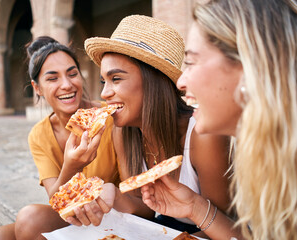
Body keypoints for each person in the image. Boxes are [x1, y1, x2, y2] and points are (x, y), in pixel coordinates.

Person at [141, 0, 297, 239]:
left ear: (250, 67)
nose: (180, 83)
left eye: (190, 62)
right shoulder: (264, 155)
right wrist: (193, 206)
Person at [65, 15, 233, 236]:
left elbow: (224, 227)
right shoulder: (122, 131)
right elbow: (145, 207)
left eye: (116, 79)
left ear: (154, 82)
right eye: (103, 82)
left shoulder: (202, 135)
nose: (104, 93)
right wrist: (113, 194)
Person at [0, 36, 120, 240]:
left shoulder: (110, 116)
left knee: (30, 219)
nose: (66, 85)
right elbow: (56, 200)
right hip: (71, 214)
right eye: (52, 78)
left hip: (112, 213)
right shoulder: (39, 134)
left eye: (72, 74)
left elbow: (136, 198)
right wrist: (70, 166)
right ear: (37, 87)